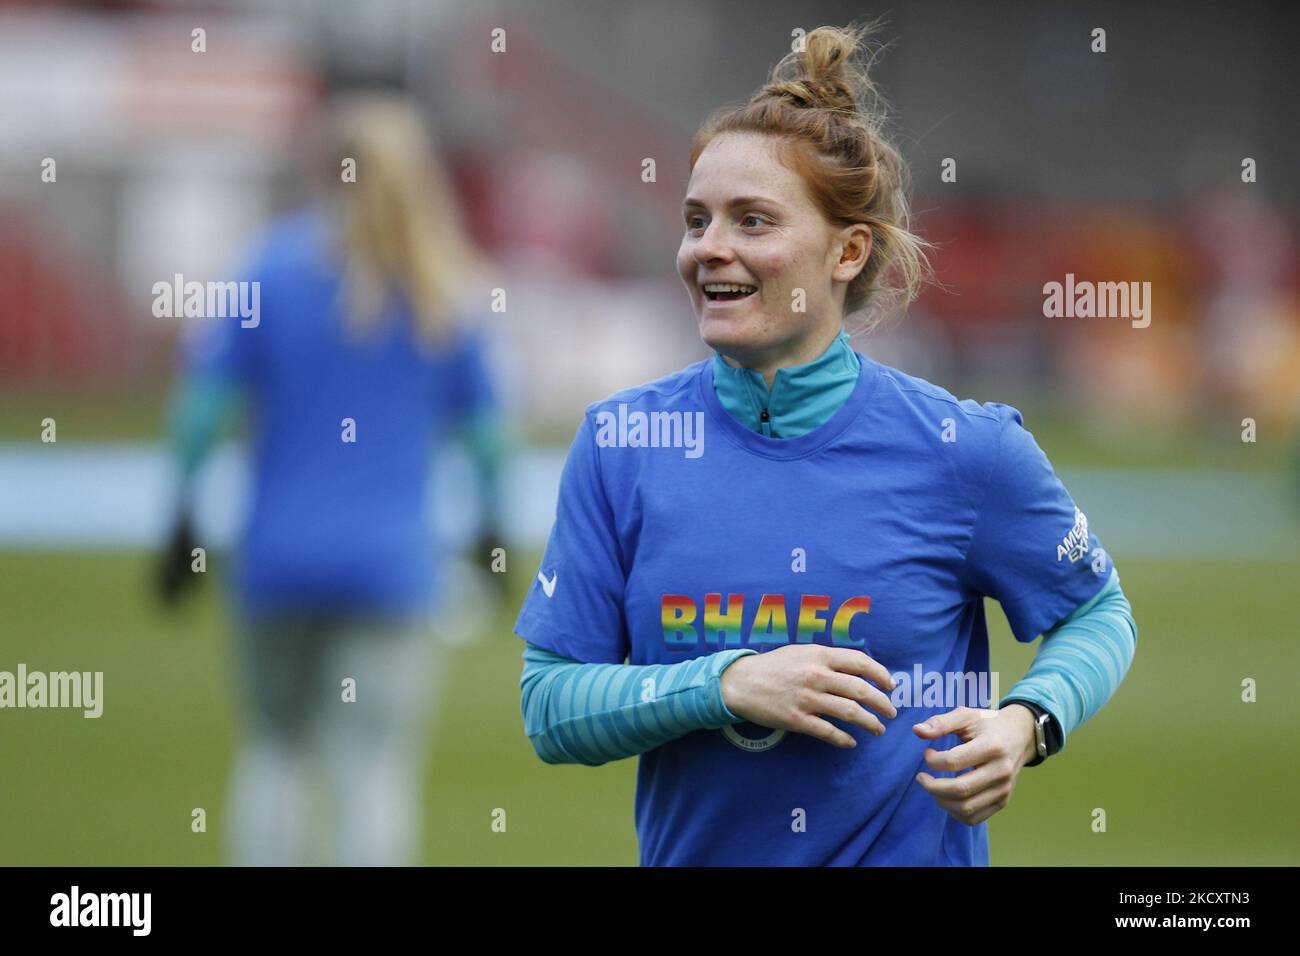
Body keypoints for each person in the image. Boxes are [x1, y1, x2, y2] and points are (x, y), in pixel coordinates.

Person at [514, 23, 1137, 866]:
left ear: (848, 251)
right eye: (696, 220)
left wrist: (1027, 722)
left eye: (752, 220)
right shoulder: (622, 444)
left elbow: (1097, 611)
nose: (710, 249)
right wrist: (725, 685)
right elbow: (551, 706)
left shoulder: (965, 449)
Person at [158, 91, 506, 866]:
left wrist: (180, 517)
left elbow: (201, 412)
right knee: (373, 774)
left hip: (278, 559)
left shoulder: (271, 267)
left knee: (274, 754)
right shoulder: (443, 280)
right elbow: (485, 436)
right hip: (391, 566)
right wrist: (490, 529)